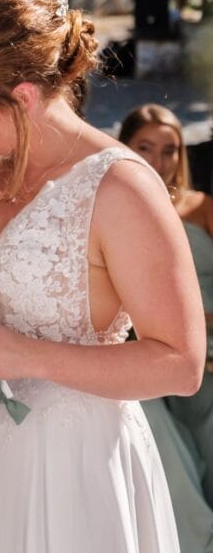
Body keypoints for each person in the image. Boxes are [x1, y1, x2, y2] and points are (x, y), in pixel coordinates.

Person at [0, 0, 205, 552]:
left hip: (74, 469)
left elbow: (181, 364)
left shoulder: (121, 187)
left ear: (22, 97)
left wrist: (28, 355)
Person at [120, 104, 213, 512]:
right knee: (153, 428)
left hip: (209, 343)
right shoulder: (114, 209)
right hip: (144, 344)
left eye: (170, 149)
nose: (158, 160)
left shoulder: (202, 207)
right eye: (145, 147)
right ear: (123, 147)